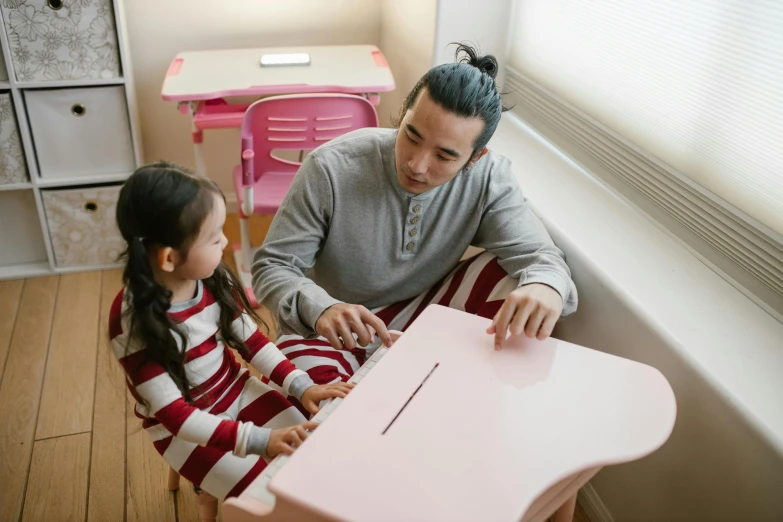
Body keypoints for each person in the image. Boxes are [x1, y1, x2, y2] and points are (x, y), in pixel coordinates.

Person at [253, 44, 578, 386]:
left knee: (517, 279)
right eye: (412, 135)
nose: (417, 165)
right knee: (305, 394)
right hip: (334, 325)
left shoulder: (489, 178)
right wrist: (322, 309)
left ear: (475, 157)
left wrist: (545, 287)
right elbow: (272, 266)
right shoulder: (331, 167)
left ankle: (451, 387)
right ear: (405, 111)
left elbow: (542, 258)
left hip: (428, 315)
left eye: (445, 155)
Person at [109, 162, 352, 500]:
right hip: (185, 431)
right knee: (268, 495)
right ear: (169, 258)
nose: (226, 241)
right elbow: (178, 417)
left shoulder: (212, 277)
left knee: (310, 455)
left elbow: (250, 340)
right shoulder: (132, 324)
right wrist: (260, 441)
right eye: (214, 237)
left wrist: (302, 386)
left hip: (236, 389)